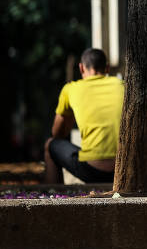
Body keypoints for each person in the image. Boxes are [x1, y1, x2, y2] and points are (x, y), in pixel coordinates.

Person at [43, 48, 124, 184]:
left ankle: (53, 195)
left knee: (50, 145)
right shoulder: (123, 86)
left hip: (91, 170)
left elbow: (57, 133)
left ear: (81, 68)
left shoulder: (70, 89)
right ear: (107, 68)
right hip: (123, 170)